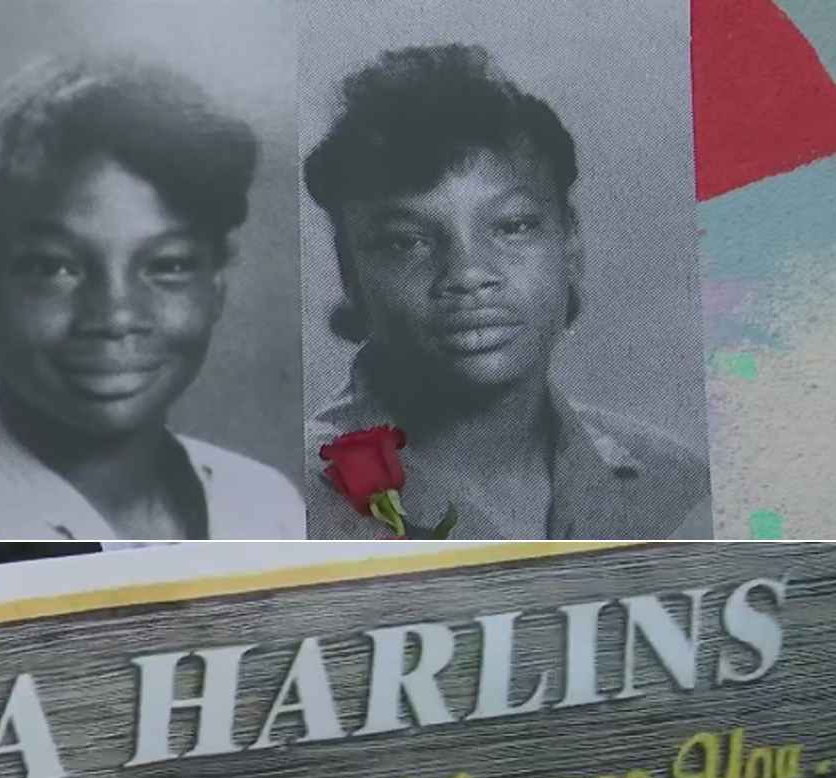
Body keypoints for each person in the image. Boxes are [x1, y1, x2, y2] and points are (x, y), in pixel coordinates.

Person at [0, 57, 306, 540]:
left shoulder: (264, 506)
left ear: (215, 287)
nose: (114, 315)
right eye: (53, 267)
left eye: (166, 265)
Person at [304, 45, 710, 541]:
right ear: (351, 275)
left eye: (513, 226)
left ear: (571, 247)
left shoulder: (675, 487)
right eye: (408, 241)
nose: (469, 273)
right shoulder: (291, 505)